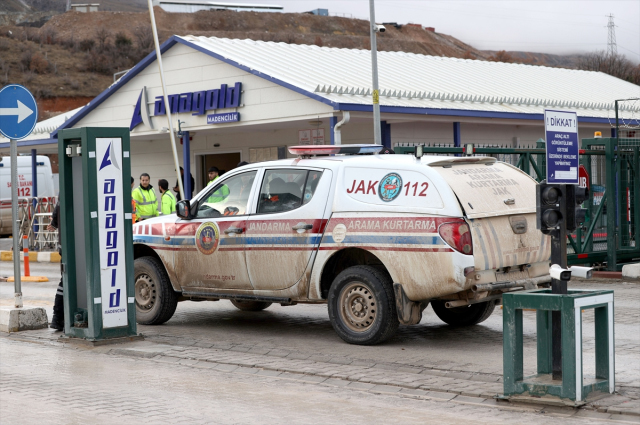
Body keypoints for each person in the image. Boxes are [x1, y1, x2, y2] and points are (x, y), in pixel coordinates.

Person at [47, 201, 64, 331]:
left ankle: (58, 318)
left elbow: (55, 219)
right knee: (65, 282)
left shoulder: (61, 198)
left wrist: (53, 223)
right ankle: (58, 318)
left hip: (63, 245)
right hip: (72, 245)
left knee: (64, 282)